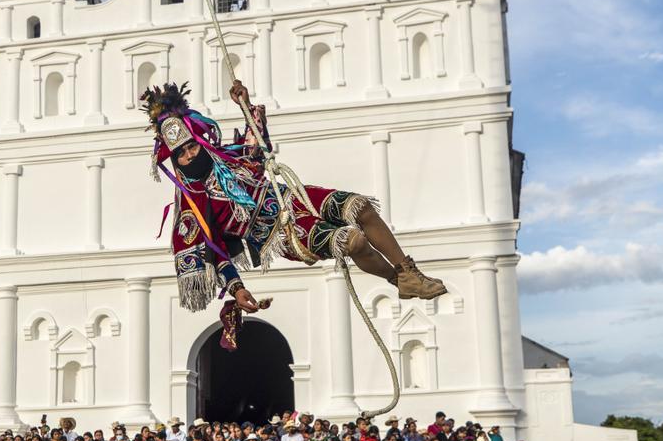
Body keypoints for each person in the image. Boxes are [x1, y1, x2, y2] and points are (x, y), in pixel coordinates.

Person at [144, 81, 447, 334]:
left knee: (360, 206)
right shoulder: (191, 204)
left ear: (198, 139)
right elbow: (215, 252)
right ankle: (396, 281)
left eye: (191, 145)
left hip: (290, 196)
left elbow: (256, 153)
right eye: (181, 152)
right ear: (173, 158)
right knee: (353, 240)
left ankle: (408, 273)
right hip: (281, 232)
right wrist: (237, 289)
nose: (189, 154)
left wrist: (246, 106)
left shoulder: (223, 158)